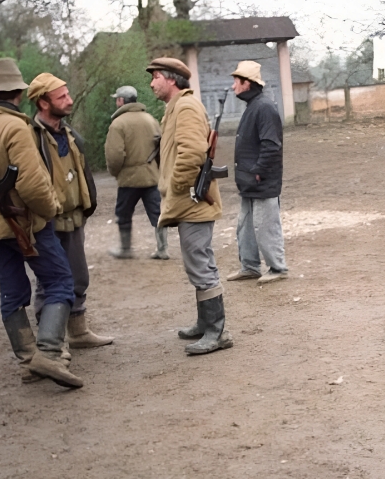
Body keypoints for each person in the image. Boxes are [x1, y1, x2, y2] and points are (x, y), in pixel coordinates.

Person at [0, 57, 81, 388]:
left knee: (12, 292)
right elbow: (34, 186)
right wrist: (49, 209)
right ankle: (48, 356)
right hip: (27, 224)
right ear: (18, 93)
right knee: (61, 283)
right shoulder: (16, 126)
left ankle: (27, 361)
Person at [147, 56, 232, 355]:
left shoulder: (184, 107)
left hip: (192, 199)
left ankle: (216, 331)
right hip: (189, 200)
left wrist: (176, 187)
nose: (152, 83)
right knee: (195, 261)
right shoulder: (177, 108)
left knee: (200, 262)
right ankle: (204, 322)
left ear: (171, 78)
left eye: (155, 76)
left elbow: (193, 153)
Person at [26, 72, 111, 349]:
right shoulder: (30, 138)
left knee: (78, 275)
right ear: (43, 103)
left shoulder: (71, 135)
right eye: (61, 97)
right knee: (49, 280)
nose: (69, 100)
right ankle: (50, 344)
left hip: (74, 217)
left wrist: (88, 206)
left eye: (68, 94)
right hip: (45, 220)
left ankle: (78, 332)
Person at [225, 60, 288, 285]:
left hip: (261, 181)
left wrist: (259, 171)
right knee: (246, 227)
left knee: (265, 226)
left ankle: (278, 267)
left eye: (236, 82)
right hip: (250, 180)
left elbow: (271, 145)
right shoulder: (255, 106)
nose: (233, 87)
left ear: (247, 83)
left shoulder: (263, 107)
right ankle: (250, 266)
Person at [105, 84, 169, 260]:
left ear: (121, 101)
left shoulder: (118, 124)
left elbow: (114, 155)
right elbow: (161, 147)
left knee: (123, 213)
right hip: (151, 176)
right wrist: (157, 169)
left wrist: (115, 172)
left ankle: (126, 249)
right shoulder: (150, 119)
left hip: (129, 178)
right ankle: (162, 249)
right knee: (157, 213)